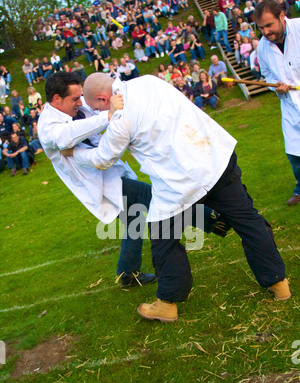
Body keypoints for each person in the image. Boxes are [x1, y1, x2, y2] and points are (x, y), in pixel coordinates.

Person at [61, 72, 291, 321]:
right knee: (248, 220)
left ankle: (168, 302)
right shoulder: (148, 80)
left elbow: (102, 158)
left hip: (179, 181)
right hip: (214, 157)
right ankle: (279, 283)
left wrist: (74, 152)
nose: (98, 113)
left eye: (96, 108)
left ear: (104, 98)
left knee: (163, 239)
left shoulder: (120, 119)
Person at [37, 71, 155, 287]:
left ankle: (127, 274)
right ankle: (215, 220)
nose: (80, 102)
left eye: (80, 96)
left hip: (111, 173)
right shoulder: (48, 127)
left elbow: (100, 103)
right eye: (74, 98)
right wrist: (107, 116)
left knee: (134, 219)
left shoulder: (76, 109)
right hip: (100, 183)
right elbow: (68, 135)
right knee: (153, 195)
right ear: (56, 99)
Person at [254, 0, 300, 206]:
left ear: (282, 16)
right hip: (291, 106)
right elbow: (266, 75)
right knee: (295, 156)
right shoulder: (262, 48)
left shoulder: (299, 28)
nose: (265, 31)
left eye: (269, 25)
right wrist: (275, 86)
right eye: (261, 27)